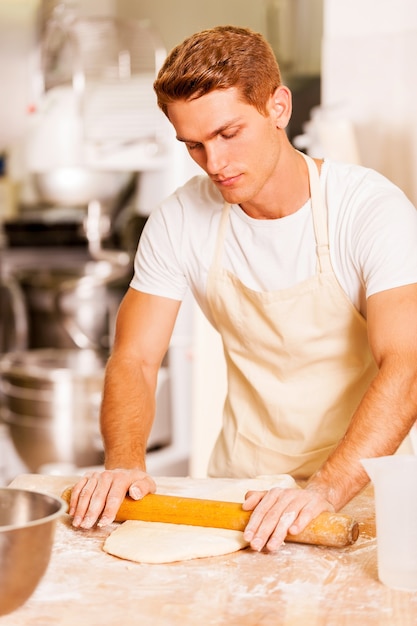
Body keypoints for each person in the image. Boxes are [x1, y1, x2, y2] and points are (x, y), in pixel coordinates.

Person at [69, 25, 417, 553]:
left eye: (229, 134)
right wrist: (123, 464)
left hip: (363, 486)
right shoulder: (180, 218)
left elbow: (408, 363)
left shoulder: (368, 210)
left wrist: (325, 489)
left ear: (278, 107)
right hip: (244, 491)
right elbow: (135, 358)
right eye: (194, 146)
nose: (215, 165)